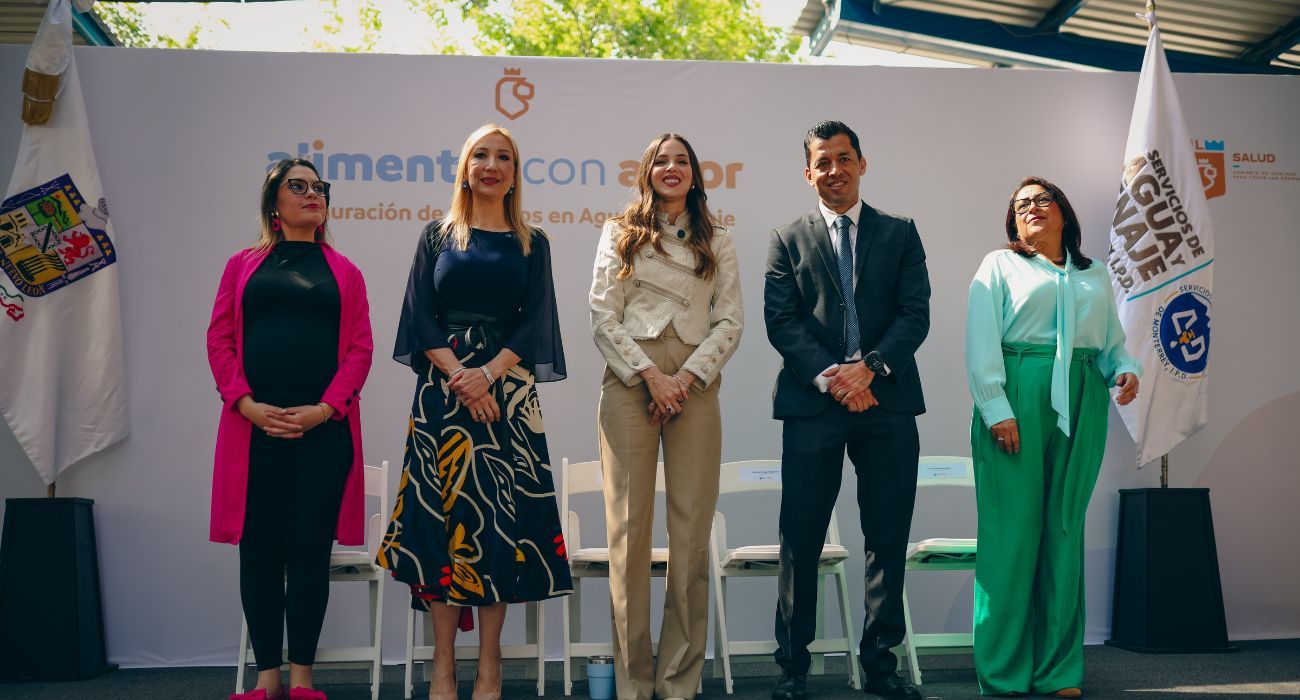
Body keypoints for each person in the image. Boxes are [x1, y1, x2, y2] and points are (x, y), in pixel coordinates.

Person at [377, 124, 572, 700]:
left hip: (507, 400)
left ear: (515, 172)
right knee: (439, 527)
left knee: (500, 528)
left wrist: (488, 374)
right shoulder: (437, 236)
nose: (492, 165)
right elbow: (419, 317)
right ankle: (443, 667)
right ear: (465, 167)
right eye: (481, 156)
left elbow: (535, 322)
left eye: (503, 157)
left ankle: (490, 668)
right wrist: (462, 378)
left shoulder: (533, 241)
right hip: (443, 395)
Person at [763, 121, 930, 700]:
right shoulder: (787, 238)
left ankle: (881, 665)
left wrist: (871, 369)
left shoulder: (901, 233)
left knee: (886, 536)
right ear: (808, 173)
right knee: (800, 538)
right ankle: (793, 668)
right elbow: (781, 322)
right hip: (815, 404)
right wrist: (836, 379)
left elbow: (915, 314)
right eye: (822, 162)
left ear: (862, 163)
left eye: (843, 158)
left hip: (887, 400)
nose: (833, 169)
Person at [965, 177, 1140, 698]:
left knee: (1064, 531)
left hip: (1083, 399)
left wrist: (1124, 371)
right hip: (1017, 396)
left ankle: (1058, 670)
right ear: (1014, 223)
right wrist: (997, 407)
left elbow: (1111, 343)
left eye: (1043, 200)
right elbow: (980, 342)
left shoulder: (1095, 275)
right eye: (1022, 205)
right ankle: (1003, 671)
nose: (1033, 208)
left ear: (1064, 211)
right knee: (1012, 536)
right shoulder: (999, 266)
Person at [208, 159, 374, 700]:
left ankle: (302, 680)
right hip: (253, 431)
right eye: (297, 186)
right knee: (258, 549)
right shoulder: (241, 266)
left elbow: (359, 350)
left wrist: (324, 409)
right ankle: (266, 681)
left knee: (307, 551)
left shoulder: (346, 272)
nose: (311, 194)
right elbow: (221, 341)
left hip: (321, 434)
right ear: (273, 205)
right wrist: (247, 405)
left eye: (318, 187)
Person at [589, 133, 744, 700]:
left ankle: (678, 681)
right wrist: (651, 376)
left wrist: (683, 380)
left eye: (682, 160)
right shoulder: (618, 233)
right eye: (662, 159)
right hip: (631, 382)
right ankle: (631, 684)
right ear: (647, 171)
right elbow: (602, 318)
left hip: (695, 386)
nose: (671, 167)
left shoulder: (718, 240)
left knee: (691, 535)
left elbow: (730, 322)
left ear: (696, 174)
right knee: (627, 536)